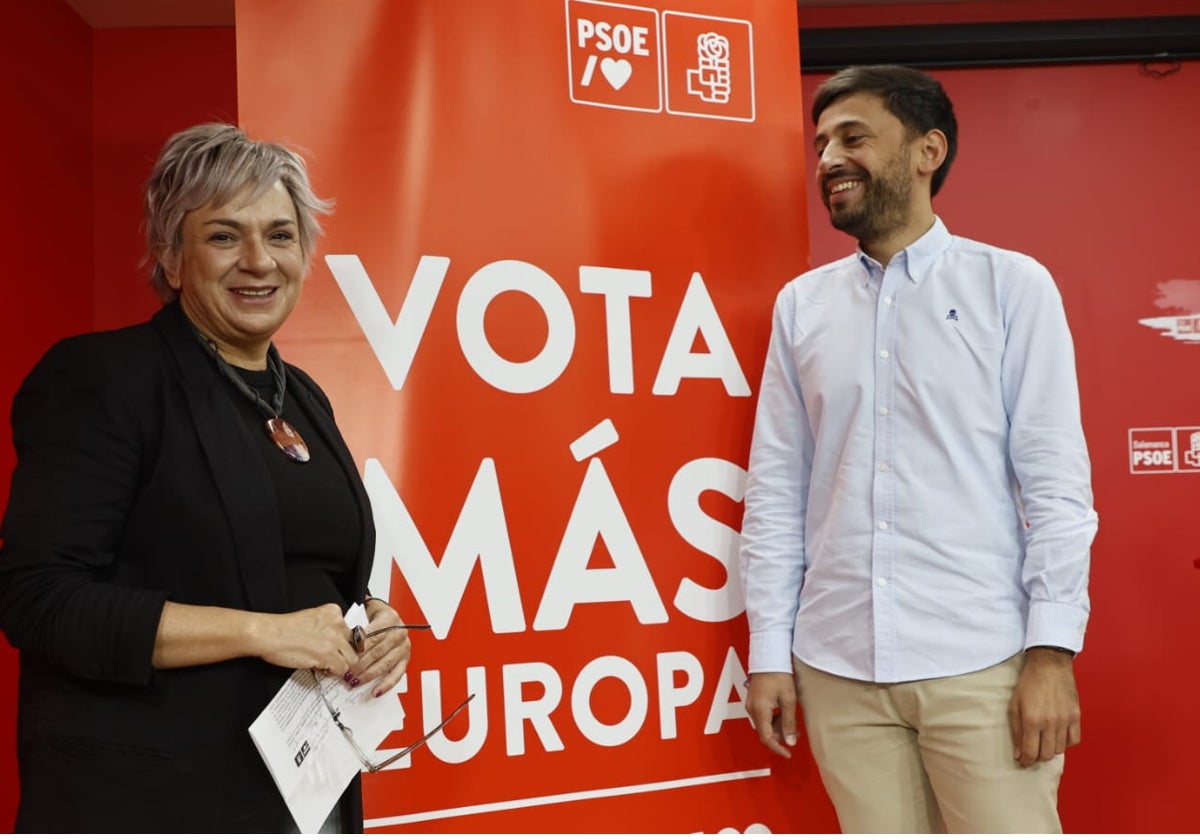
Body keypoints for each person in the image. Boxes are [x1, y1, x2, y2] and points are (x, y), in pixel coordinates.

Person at [0, 123, 413, 832]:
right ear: (170, 255)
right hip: (157, 797)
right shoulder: (106, 378)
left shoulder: (301, 393)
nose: (258, 261)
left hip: (303, 793)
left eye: (280, 236)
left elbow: (279, 561)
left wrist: (371, 621)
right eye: (224, 236)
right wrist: (263, 632)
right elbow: (38, 601)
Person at [739, 65, 1098, 833]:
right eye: (822, 142)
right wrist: (769, 648)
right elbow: (777, 487)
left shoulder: (1012, 286)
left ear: (927, 150)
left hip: (981, 662)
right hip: (837, 667)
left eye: (854, 136)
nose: (829, 158)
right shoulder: (801, 307)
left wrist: (1052, 654)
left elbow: (1056, 487)